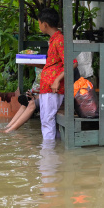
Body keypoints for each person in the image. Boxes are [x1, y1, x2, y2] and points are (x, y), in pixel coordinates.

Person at [37, 7, 73, 140]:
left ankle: (48, 155)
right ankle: (53, 152)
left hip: (53, 87)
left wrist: (57, 79)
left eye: (39, 23)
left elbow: (72, 62)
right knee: (47, 120)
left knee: (47, 120)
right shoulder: (54, 39)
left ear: (45, 24)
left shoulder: (59, 40)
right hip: (48, 87)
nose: (39, 25)